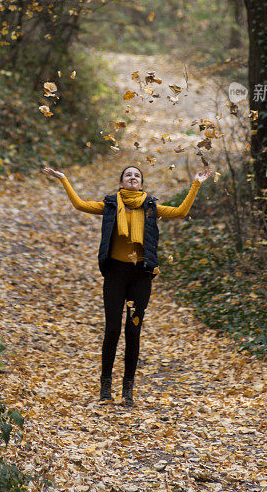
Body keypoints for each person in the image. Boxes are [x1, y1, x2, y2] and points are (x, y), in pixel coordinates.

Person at [42, 163, 211, 406]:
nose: (132, 177)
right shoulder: (110, 205)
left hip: (140, 275)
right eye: (128, 175)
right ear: (121, 183)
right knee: (112, 330)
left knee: (133, 332)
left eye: (137, 176)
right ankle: (105, 386)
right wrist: (64, 179)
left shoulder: (151, 208)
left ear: (142, 184)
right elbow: (80, 205)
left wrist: (196, 183)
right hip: (115, 275)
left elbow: (181, 212)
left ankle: (128, 389)